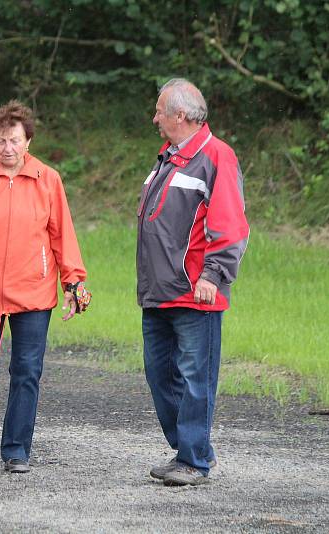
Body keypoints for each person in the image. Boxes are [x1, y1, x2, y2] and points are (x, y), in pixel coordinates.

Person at [0, 100, 91, 473]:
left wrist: (73, 282)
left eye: (14, 140)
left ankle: (16, 449)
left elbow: (63, 236)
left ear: (28, 141)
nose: (7, 148)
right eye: (0, 140)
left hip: (33, 292)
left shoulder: (48, 179)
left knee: (27, 370)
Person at [136, 78, 249, 486]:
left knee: (195, 380)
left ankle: (194, 461)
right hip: (158, 293)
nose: (155, 117)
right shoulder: (168, 158)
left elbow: (232, 226)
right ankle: (193, 448)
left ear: (180, 115)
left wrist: (214, 275)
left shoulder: (217, 156)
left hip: (196, 291)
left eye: (160, 110)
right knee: (159, 375)